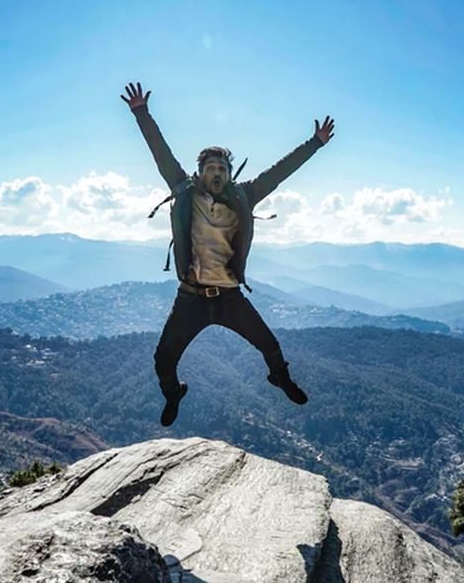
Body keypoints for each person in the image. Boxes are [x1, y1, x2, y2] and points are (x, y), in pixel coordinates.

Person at [121, 81, 335, 426]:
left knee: (270, 345)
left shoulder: (245, 196)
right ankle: (174, 393)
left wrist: (315, 144)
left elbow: (279, 173)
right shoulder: (184, 190)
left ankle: (279, 378)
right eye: (211, 169)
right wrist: (141, 113)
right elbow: (161, 154)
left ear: (229, 173)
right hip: (191, 298)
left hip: (229, 296)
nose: (217, 174)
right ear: (200, 173)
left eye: (222, 169)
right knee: (163, 360)